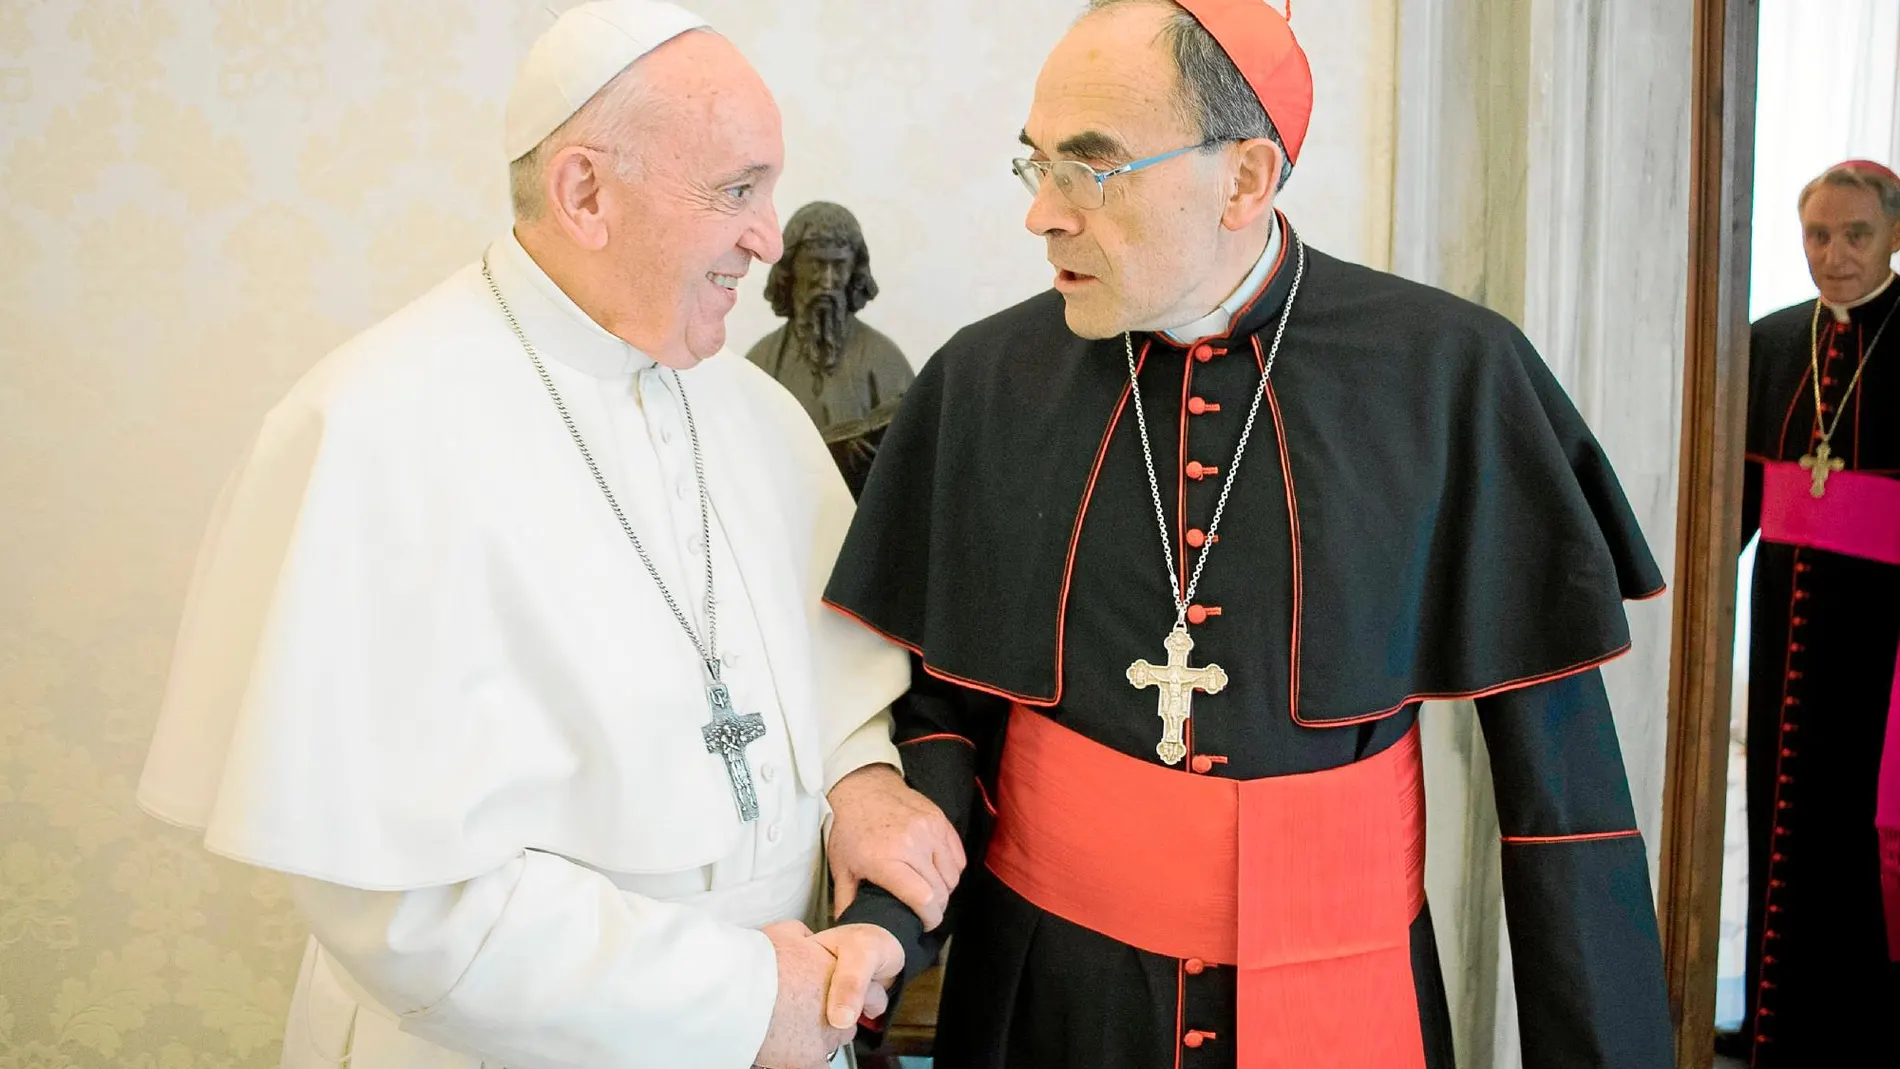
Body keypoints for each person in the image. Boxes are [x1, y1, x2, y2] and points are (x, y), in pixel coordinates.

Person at [819, 1, 1675, 1066]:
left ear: (1245, 179)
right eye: (1031, 164)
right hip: (1048, 998)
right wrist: (890, 925)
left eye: (1090, 171)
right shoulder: (983, 382)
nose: (1040, 214)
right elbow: (945, 706)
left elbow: (1566, 802)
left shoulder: (1452, 376)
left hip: (1346, 994)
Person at [134, 4, 917, 1067]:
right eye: (736, 190)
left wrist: (861, 785)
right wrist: (737, 999)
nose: (769, 237)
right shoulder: (373, 433)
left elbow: (837, 695)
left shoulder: (757, 412)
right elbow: (403, 910)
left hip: (786, 1014)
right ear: (584, 192)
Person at [1728, 158, 1900, 1065]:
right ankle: (1773, 1018)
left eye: (1856, 236)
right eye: (1818, 236)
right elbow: (1738, 502)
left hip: (1883, 629)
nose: (1834, 257)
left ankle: (1856, 1029)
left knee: (1858, 828)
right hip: (1786, 605)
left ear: (1895, 237)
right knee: (1778, 809)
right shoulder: (1768, 339)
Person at [746, 201, 915, 437]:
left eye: (839, 266)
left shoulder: (886, 361)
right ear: (791, 268)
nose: (827, 282)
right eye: (816, 265)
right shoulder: (760, 363)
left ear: (854, 270)